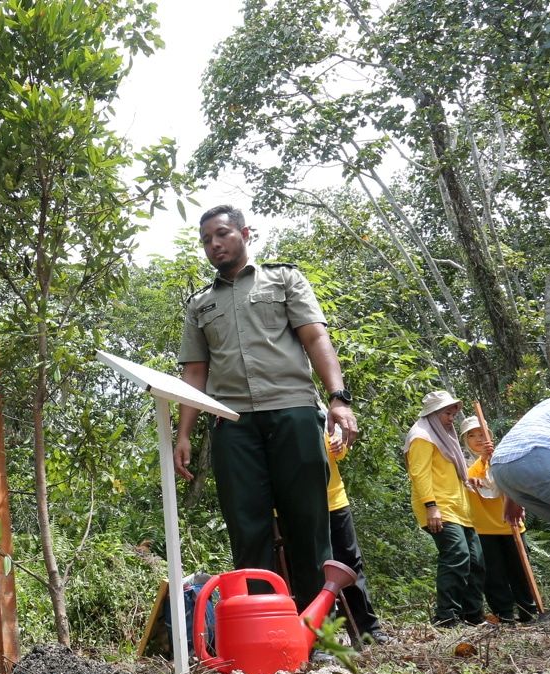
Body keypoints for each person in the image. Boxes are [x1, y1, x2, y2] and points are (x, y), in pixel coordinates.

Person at [173, 205, 358, 611]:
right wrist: (183, 434)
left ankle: (319, 631)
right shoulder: (200, 304)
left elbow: (315, 339)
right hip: (232, 423)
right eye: (206, 240)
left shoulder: (284, 278)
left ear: (245, 233)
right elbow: (195, 371)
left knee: (307, 525)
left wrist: (338, 399)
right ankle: (262, 627)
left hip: (292, 410)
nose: (214, 244)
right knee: (247, 527)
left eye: (222, 234)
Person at [403, 390, 485, 627]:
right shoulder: (421, 436)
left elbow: (454, 473)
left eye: (453, 413)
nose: (452, 418)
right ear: (434, 413)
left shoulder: (444, 437)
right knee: (456, 555)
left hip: (460, 508)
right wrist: (431, 506)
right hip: (439, 508)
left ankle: (473, 615)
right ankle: (446, 616)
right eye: (448, 413)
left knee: (476, 560)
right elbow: (419, 474)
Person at [460, 416, 539, 623]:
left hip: (510, 523)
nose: (478, 438)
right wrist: (483, 460)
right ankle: (504, 615)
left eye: (481, 433)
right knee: (494, 576)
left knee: (521, 571)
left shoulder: (503, 455)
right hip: (484, 527)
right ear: (464, 439)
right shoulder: (461, 461)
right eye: (471, 435)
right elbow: (468, 479)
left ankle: (528, 612)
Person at [322, 421, 388, 643]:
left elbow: (339, 452)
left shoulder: (322, 411)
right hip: (292, 506)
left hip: (334, 500)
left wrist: (340, 446)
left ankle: (368, 631)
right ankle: (318, 638)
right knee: (307, 570)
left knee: (350, 564)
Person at [490, 397, 550, 523]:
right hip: (534, 455)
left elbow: (517, 447)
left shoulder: (543, 406)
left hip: (500, 468)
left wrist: (512, 497)